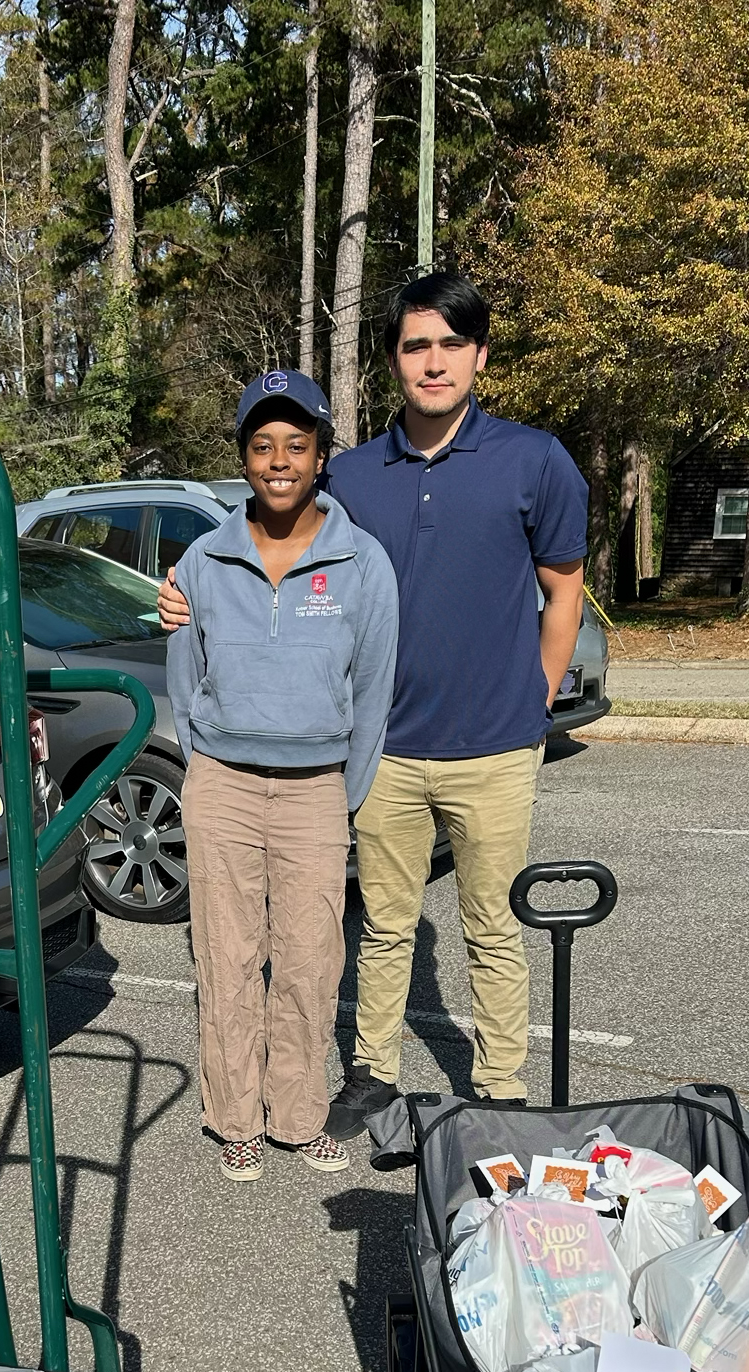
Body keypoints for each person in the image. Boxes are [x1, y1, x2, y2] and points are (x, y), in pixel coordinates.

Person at [160, 273, 587, 1129]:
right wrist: (183, 594)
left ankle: (501, 1089)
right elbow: (272, 541)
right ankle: (373, 1074)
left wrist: (533, 703)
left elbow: (564, 587)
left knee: (494, 931)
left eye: (450, 345)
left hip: (495, 747)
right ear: (393, 360)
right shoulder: (352, 473)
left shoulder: (535, 460)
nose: (434, 363)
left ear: (479, 354)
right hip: (385, 746)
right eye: (415, 346)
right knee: (385, 930)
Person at [167, 369, 398, 1182]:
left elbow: (373, 691)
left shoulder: (362, 562)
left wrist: (345, 792)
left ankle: (298, 1118)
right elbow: (182, 679)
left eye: (295, 445)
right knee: (227, 958)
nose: (278, 460)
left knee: (308, 960)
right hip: (222, 786)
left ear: (320, 456)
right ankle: (235, 1119)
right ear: (243, 458)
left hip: (315, 791)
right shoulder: (202, 560)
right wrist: (206, 775)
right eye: (262, 445)